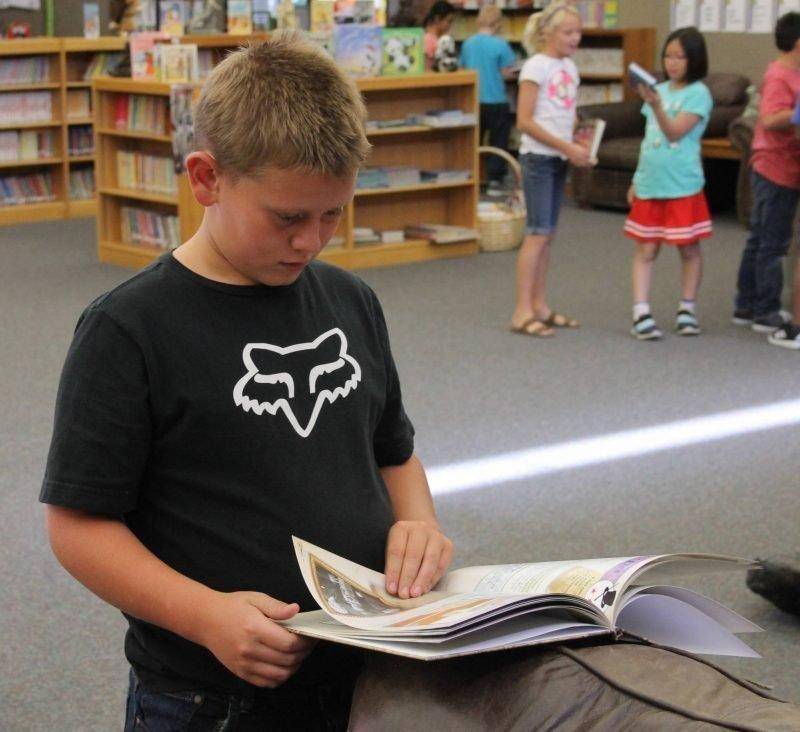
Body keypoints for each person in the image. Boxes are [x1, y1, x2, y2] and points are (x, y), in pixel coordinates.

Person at [40, 33, 454, 731]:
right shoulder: (130, 329)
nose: (311, 240)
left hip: (364, 672)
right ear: (206, 178)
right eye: (288, 217)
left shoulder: (352, 301)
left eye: (333, 214)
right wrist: (202, 615)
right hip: (208, 695)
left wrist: (418, 521)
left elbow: (393, 451)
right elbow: (78, 526)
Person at [624, 27, 713, 341]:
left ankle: (687, 309)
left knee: (688, 249)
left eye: (680, 56)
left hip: (683, 185)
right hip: (651, 182)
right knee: (646, 249)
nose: (672, 62)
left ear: (694, 60)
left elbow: (675, 132)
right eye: (668, 56)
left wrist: (659, 105)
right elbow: (650, 139)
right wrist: (636, 179)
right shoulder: (658, 90)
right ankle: (641, 313)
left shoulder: (698, 94)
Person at [510, 2, 591, 338]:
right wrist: (566, 147)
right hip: (539, 159)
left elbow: (567, 113)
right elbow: (525, 121)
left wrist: (580, 142)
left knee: (548, 236)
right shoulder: (536, 66)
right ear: (547, 33)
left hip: (558, 157)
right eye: (567, 32)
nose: (575, 38)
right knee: (537, 233)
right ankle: (521, 311)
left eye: (578, 32)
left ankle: (540, 305)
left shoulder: (569, 68)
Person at [734, 12, 800, 336]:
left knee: (760, 238)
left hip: (778, 165)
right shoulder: (780, 75)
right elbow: (771, 118)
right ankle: (765, 311)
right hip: (775, 166)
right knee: (773, 242)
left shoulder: (790, 73)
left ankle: (745, 304)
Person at [459, 5, 518, 195]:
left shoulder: (467, 44)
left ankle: (471, 177)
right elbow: (507, 73)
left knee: (473, 140)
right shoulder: (501, 45)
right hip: (496, 99)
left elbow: (463, 69)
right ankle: (494, 180)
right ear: (498, 23)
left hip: (474, 100)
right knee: (498, 141)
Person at [423, 0, 455, 71]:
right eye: (448, 21)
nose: (450, 25)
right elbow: (427, 69)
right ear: (437, 19)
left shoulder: (440, 38)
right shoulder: (428, 39)